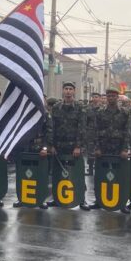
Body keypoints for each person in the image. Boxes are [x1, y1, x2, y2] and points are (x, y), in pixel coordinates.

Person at [46, 82, 88, 210]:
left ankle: (81, 199)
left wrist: (78, 146)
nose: (68, 91)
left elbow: (82, 127)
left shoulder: (80, 107)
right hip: (59, 146)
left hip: (73, 147)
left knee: (78, 173)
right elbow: (51, 127)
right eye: (66, 89)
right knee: (58, 173)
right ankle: (56, 198)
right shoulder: (56, 107)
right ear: (62, 91)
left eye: (70, 89)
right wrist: (51, 145)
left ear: (74, 92)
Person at [89, 87, 130, 211]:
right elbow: (95, 130)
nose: (111, 98)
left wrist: (125, 149)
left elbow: (128, 131)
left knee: (120, 176)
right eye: (109, 96)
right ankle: (99, 200)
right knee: (101, 176)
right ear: (106, 98)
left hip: (118, 149)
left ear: (117, 98)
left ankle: (122, 202)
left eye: (113, 96)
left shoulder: (125, 112)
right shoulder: (100, 112)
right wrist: (97, 148)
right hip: (103, 148)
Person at [86, 91, 102, 176]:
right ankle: (90, 169)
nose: (95, 99)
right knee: (90, 152)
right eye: (94, 97)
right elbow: (86, 121)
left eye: (97, 97)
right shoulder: (88, 109)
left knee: (99, 151)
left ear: (99, 98)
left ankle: (99, 168)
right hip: (90, 133)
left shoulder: (103, 109)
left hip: (100, 133)